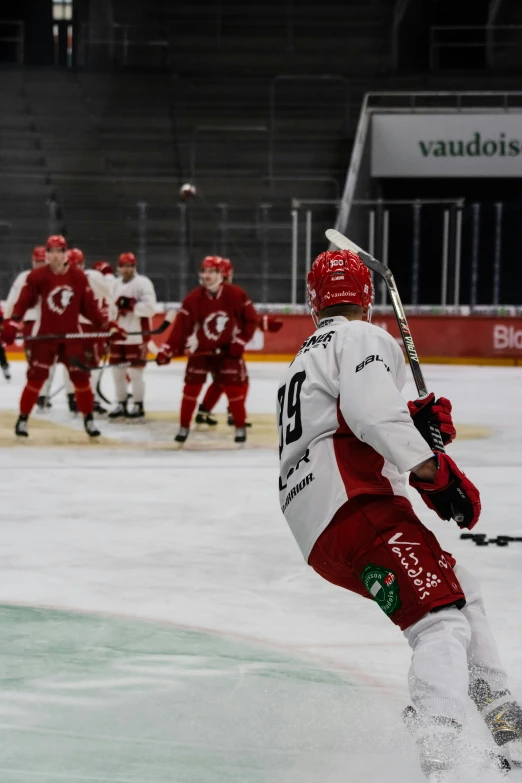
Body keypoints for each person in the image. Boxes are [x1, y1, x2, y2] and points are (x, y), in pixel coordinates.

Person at [276, 248, 522, 781]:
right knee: (439, 624)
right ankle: (440, 760)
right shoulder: (363, 336)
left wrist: (413, 423)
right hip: (356, 505)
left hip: (320, 523)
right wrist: (434, 469)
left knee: (462, 586)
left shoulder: (303, 357)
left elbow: (348, 420)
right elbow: (369, 415)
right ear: (366, 297)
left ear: (312, 301)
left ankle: (506, 724)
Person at [0, 235, 125, 438]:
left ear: (66, 254)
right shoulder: (37, 276)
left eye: (59, 251)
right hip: (46, 336)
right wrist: (13, 322)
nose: (55, 256)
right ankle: (23, 419)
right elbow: (23, 301)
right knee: (36, 379)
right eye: (51, 251)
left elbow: (90, 308)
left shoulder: (78, 277)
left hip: (71, 337)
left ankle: (88, 419)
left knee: (81, 379)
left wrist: (107, 325)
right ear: (46, 254)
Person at [156, 255, 258, 445]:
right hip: (201, 353)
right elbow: (181, 330)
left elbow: (251, 320)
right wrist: (167, 349)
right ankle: (183, 428)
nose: (206, 275)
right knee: (190, 390)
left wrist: (240, 341)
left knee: (234, 390)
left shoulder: (235, 294)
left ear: (221, 274)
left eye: (211, 271)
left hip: (227, 353)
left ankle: (240, 428)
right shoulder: (192, 299)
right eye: (204, 271)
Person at [195, 257, 284, 427]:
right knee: (239, 381)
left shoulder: (208, 293)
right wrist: (263, 323)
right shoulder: (228, 293)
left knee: (221, 381)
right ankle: (233, 414)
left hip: (213, 348)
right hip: (225, 349)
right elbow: (244, 317)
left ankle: (204, 411)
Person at [107, 252, 157, 420]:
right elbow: (112, 309)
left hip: (137, 335)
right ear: (119, 267)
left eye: (130, 265)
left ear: (134, 266)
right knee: (117, 372)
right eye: (123, 266)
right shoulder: (115, 284)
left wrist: (132, 305)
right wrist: (110, 328)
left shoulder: (143, 283)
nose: (126, 269)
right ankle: (121, 402)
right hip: (118, 334)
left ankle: (138, 403)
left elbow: (151, 308)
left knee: (136, 373)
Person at [65, 248, 115, 414]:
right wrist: (107, 273)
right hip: (89, 327)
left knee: (73, 364)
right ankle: (90, 399)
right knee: (91, 364)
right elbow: (110, 291)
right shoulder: (91, 276)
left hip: (70, 327)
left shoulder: (59, 278)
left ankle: (74, 397)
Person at [2, 245, 48, 388]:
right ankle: (40, 393)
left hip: (50, 324)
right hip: (30, 324)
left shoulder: (55, 277)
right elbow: (12, 301)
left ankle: (48, 393)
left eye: (42, 261)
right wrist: (7, 322)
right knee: (35, 361)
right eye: (38, 261)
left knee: (48, 361)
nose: (40, 264)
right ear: (33, 261)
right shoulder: (24, 277)